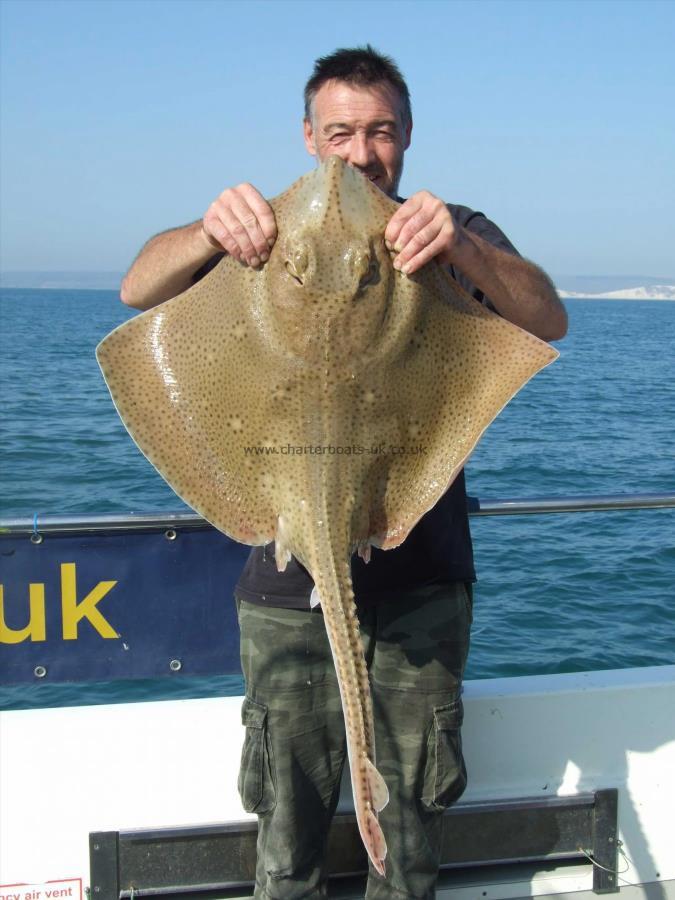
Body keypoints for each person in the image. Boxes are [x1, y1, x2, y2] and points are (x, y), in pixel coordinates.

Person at [121, 45, 567, 900]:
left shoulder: (450, 231)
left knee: (406, 849)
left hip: (422, 589)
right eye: (339, 134)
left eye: (380, 132)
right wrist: (208, 231)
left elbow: (546, 316)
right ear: (307, 137)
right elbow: (139, 288)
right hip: (284, 590)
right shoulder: (257, 233)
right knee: (285, 844)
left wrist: (463, 252)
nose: (359, 155)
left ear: (406, 137)